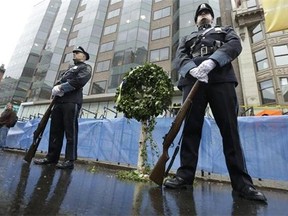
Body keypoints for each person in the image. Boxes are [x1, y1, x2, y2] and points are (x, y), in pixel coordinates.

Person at [163, 3, 267, 203]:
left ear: (212, 17)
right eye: (200, 14)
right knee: (190, 131)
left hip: (221, 80)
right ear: (196, 20)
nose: (203, 15)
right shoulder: (187, 37)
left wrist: (213, 61)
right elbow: (179, 56)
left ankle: (242, 184)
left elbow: (235, 44)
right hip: (193, 82)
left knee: (229, 130)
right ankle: (184, 176)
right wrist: (190, 69)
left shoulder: (225, 30)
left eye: (207, 13)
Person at [34, 46, 91, 169]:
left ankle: (69, 160)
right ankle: (51, 157)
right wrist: (56, 88)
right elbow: (59, 81)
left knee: (70, 131)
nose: (75, 54)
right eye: (74, 53)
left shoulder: (86, 67)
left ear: (84, 56)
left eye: (78, 53)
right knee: (55, 131)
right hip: (59, 102)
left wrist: (62, 88)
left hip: (71, 102)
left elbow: (80, 81)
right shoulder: (70, 69)